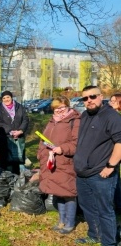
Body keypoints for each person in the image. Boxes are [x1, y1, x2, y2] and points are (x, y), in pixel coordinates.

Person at [74, 86, 121, 246]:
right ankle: (94, 235)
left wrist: (110, 166)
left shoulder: (112, 117)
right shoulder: (85, 115)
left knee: (105, 209)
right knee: (88, 206)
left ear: (101, 96)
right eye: (85, 98)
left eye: (92, 96)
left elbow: (120, 143)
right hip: (82, 173)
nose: (89, 101)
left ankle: (109, 244)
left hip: (101, 174)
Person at [37, 97, 80, 234]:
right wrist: (40, 154)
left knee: (69, 193)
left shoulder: (75, 121)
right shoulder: (51, 121)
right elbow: (43, 140)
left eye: (62, 107)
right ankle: (61, 220)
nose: (59, 110)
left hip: (65, 162)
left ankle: (70, 223)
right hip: (52, 162)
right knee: (58, 192)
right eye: (56, 108)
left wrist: (62, 149)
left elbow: (76, 143)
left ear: (68, 106)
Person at [0, 91, 29, 175]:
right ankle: (8, 179)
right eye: (4, 98)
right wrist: (10, 131)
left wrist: (21, 130)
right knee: (7, 161)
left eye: (8, 97)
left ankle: (19, 179)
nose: (6, 99)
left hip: (19, 137)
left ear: (11, 97)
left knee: (19, 159)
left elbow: (25, 119)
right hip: (6, 138)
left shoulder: (20, 107)